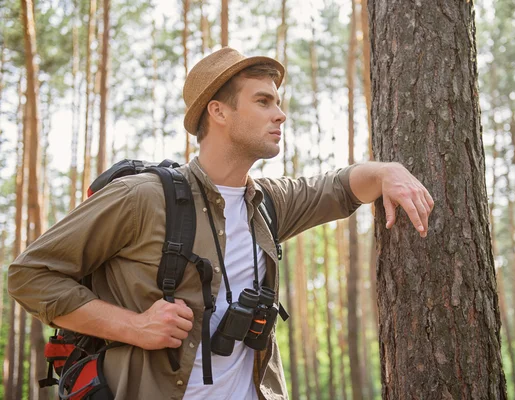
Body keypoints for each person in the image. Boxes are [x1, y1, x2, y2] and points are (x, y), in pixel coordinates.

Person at [8, 47, 434, 400]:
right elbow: (30, 274)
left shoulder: (269, 202)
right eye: (263, 101)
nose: (280, 114)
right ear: (219, 112)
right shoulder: (142, 197)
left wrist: (386, 172)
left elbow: (340, 188)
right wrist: (133, 326)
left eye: (278, 102)